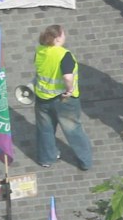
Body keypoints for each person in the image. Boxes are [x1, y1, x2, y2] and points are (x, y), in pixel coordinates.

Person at [32, 25, 93, 170]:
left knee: (45, 129)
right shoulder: (64, 55)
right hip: (64, 100)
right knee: (73, 130)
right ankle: (85, 161)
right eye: (63, 34)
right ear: (58, 38)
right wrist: (70, 89)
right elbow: (67, 77)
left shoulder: (40, 50)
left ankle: (46, 158)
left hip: (42, 97)